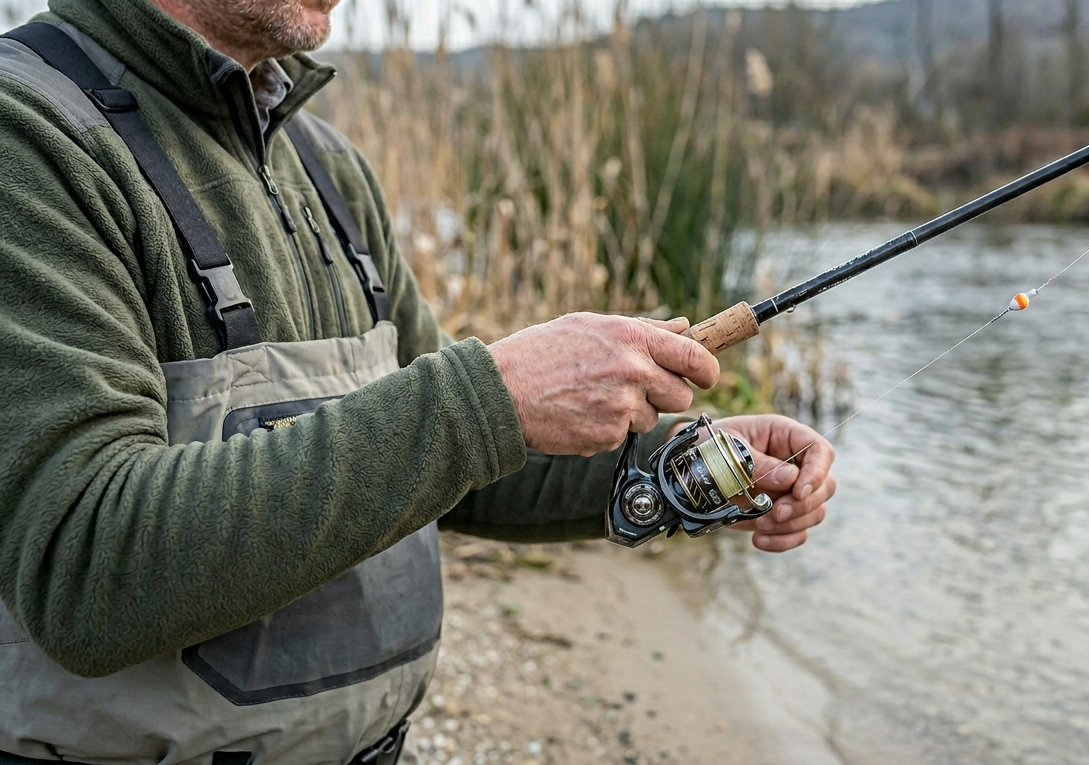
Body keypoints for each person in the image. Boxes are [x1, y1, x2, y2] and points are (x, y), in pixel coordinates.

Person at [0, 0, 836, 763]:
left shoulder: (327, 168)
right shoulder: (27, 135)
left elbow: (451, 464)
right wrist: (493, 393)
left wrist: (681, 468)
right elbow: (83, 561)